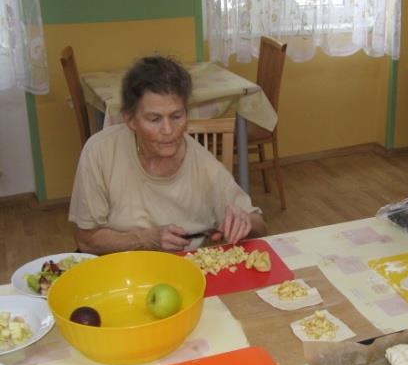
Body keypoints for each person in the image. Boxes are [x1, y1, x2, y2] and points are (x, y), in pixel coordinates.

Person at [69, 56, 266, 254]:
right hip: (121, 272)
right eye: (154, 119)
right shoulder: (100, 152)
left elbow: (259, 224)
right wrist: (146, 239)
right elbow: (86, 240)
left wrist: (244, 222)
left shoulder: (203, 164)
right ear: (129, 119)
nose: (168, 130)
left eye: (177, 116)